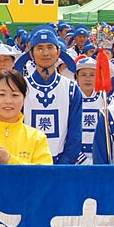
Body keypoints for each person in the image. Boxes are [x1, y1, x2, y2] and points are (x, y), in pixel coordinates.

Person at [18, 27, 83, 164]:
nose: (45, 53)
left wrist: (64, 164)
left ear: (58, 52)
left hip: (61, 164)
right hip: (26, 163)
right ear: (31, 54)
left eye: (50, 47)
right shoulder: (20, 87)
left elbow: (75, 133)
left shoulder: (71, 88)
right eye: (40, 48)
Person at [75, 57, 104, 164]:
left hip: (100, 156)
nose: (88, 79)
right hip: (75, 158)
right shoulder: (70, 98)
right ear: (77, 77)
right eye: (83, 75)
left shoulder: (106, 99)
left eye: (92, 75)